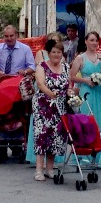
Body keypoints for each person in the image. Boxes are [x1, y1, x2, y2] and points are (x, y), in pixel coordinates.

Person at [32, 38, 70, 180]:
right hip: (43, 106)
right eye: (54, 52)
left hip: (60, 106)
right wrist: (50, 93)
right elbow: (40, 84)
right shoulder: (41, 66)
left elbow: (68, 84)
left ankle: (49, 168)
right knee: (42, 135)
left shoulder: (65, 67)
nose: (56, 55)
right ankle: (39, 170)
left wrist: (70, 92)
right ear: (49, 53)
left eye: (59, 52)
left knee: (55, 136)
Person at [69, 31, 101, 122]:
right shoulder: (80, 58)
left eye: (96, 40)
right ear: (86, 41)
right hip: (87, 90)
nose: (94, 43)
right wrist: (86, 80)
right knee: (87, 116)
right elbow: (72, 77)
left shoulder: (100, 57)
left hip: (100, 90)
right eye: (92, 40)